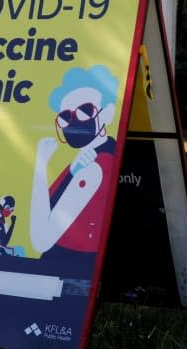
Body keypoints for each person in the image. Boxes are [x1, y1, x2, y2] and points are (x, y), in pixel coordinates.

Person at [30, 65, 118, 277]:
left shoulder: (94, 169)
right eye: (65, 116)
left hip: (64, 274)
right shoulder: (87, 161)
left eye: (84, 111)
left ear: (107, 114)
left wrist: (40, 165)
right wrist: (72, 171)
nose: (74, 121)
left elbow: (40, 240)